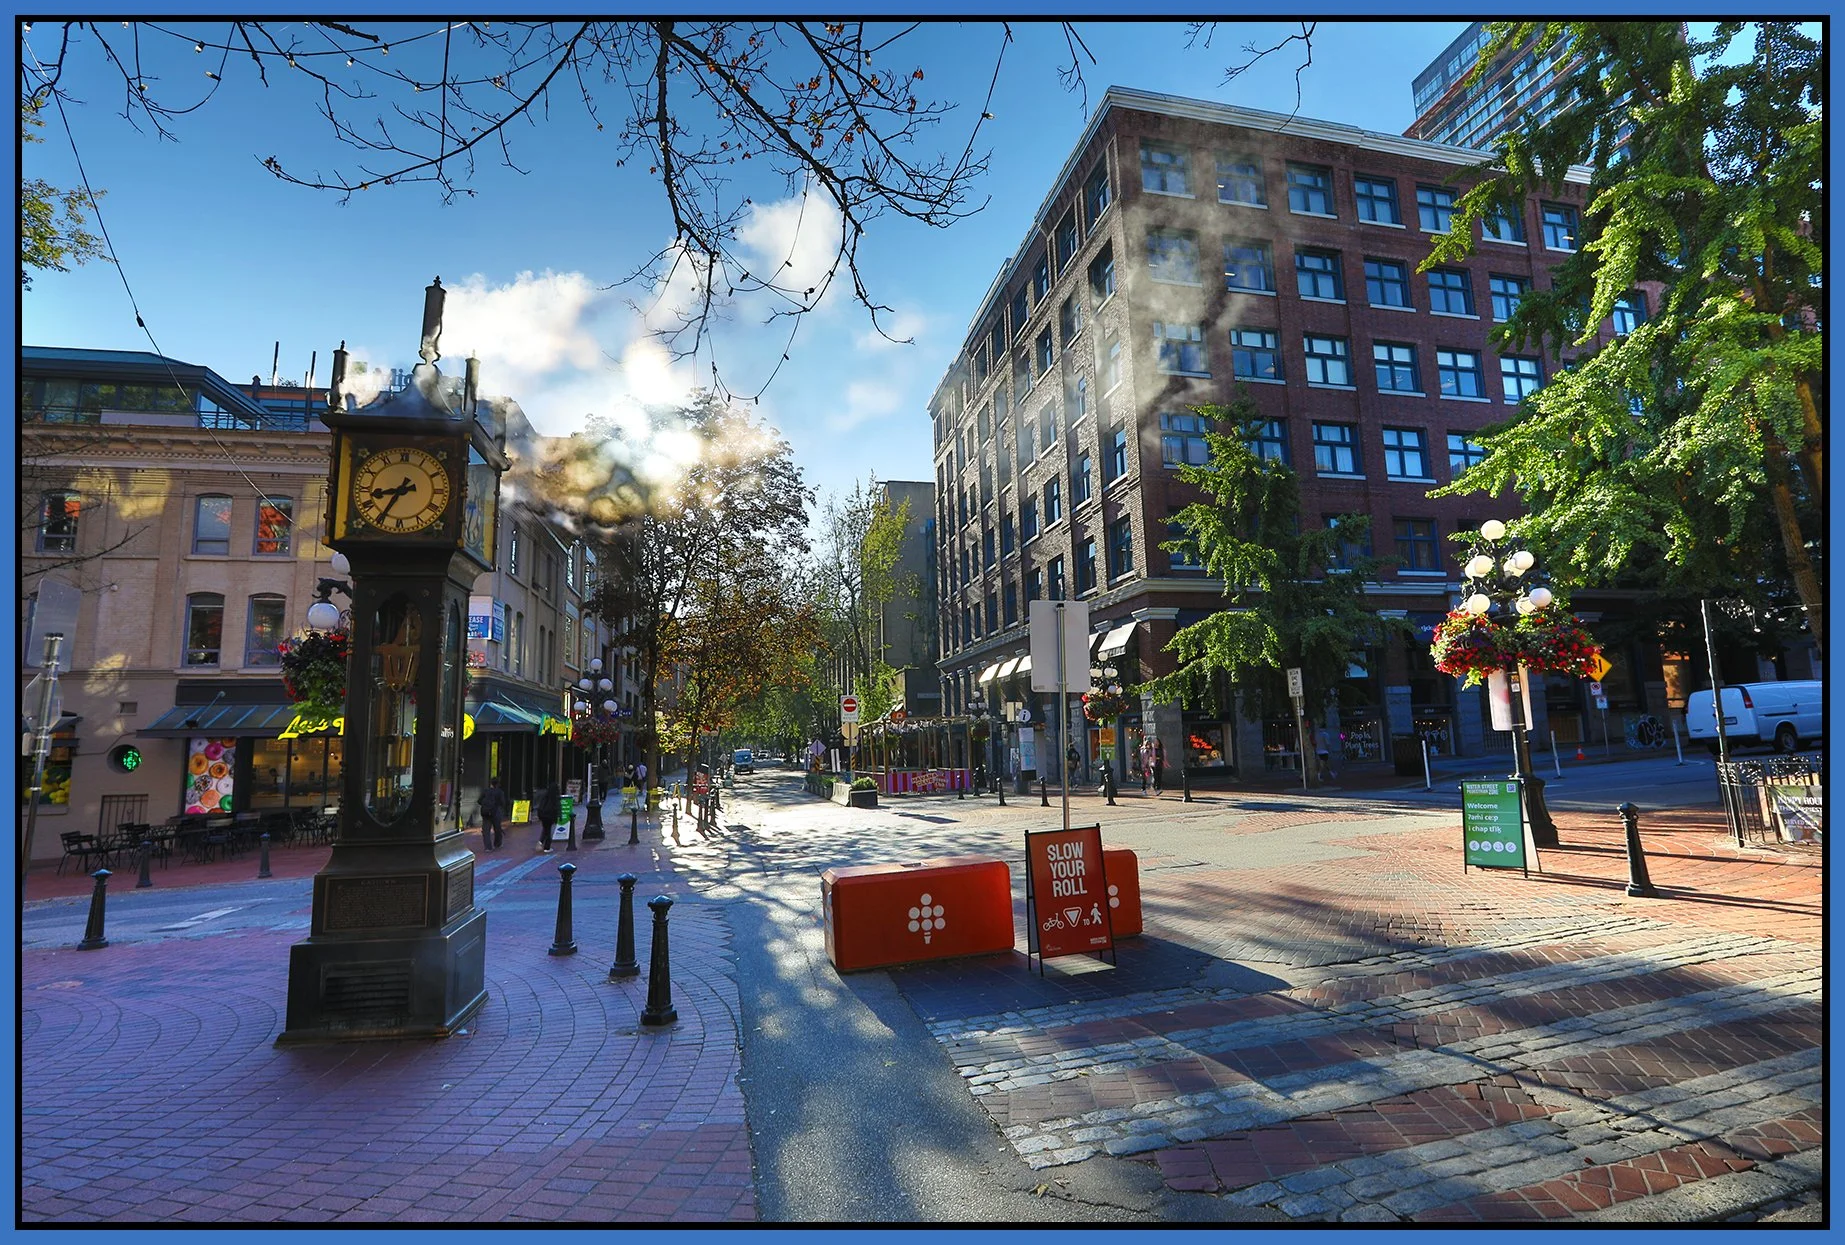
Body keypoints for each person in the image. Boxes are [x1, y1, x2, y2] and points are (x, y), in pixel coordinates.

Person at [478, 777, 509, 851]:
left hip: (485, 813)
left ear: (490, 783)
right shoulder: (500, 792)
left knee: (486, 830)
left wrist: (485, 805)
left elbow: (479, 801)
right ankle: (497, 844)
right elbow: (503, 803)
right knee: (497, 829)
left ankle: (488, 847)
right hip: (496, 812)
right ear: (498, 784)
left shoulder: (485, 791)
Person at [534, 782, 561, 853]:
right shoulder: (555, 797)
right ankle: (547, 847)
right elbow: (558, 807)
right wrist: (559, 816)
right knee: (548, 831)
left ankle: (541, 841)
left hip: (543, 815)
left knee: (545, 829)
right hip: (550, 816)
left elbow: (540, 804)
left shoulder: (545, 794)